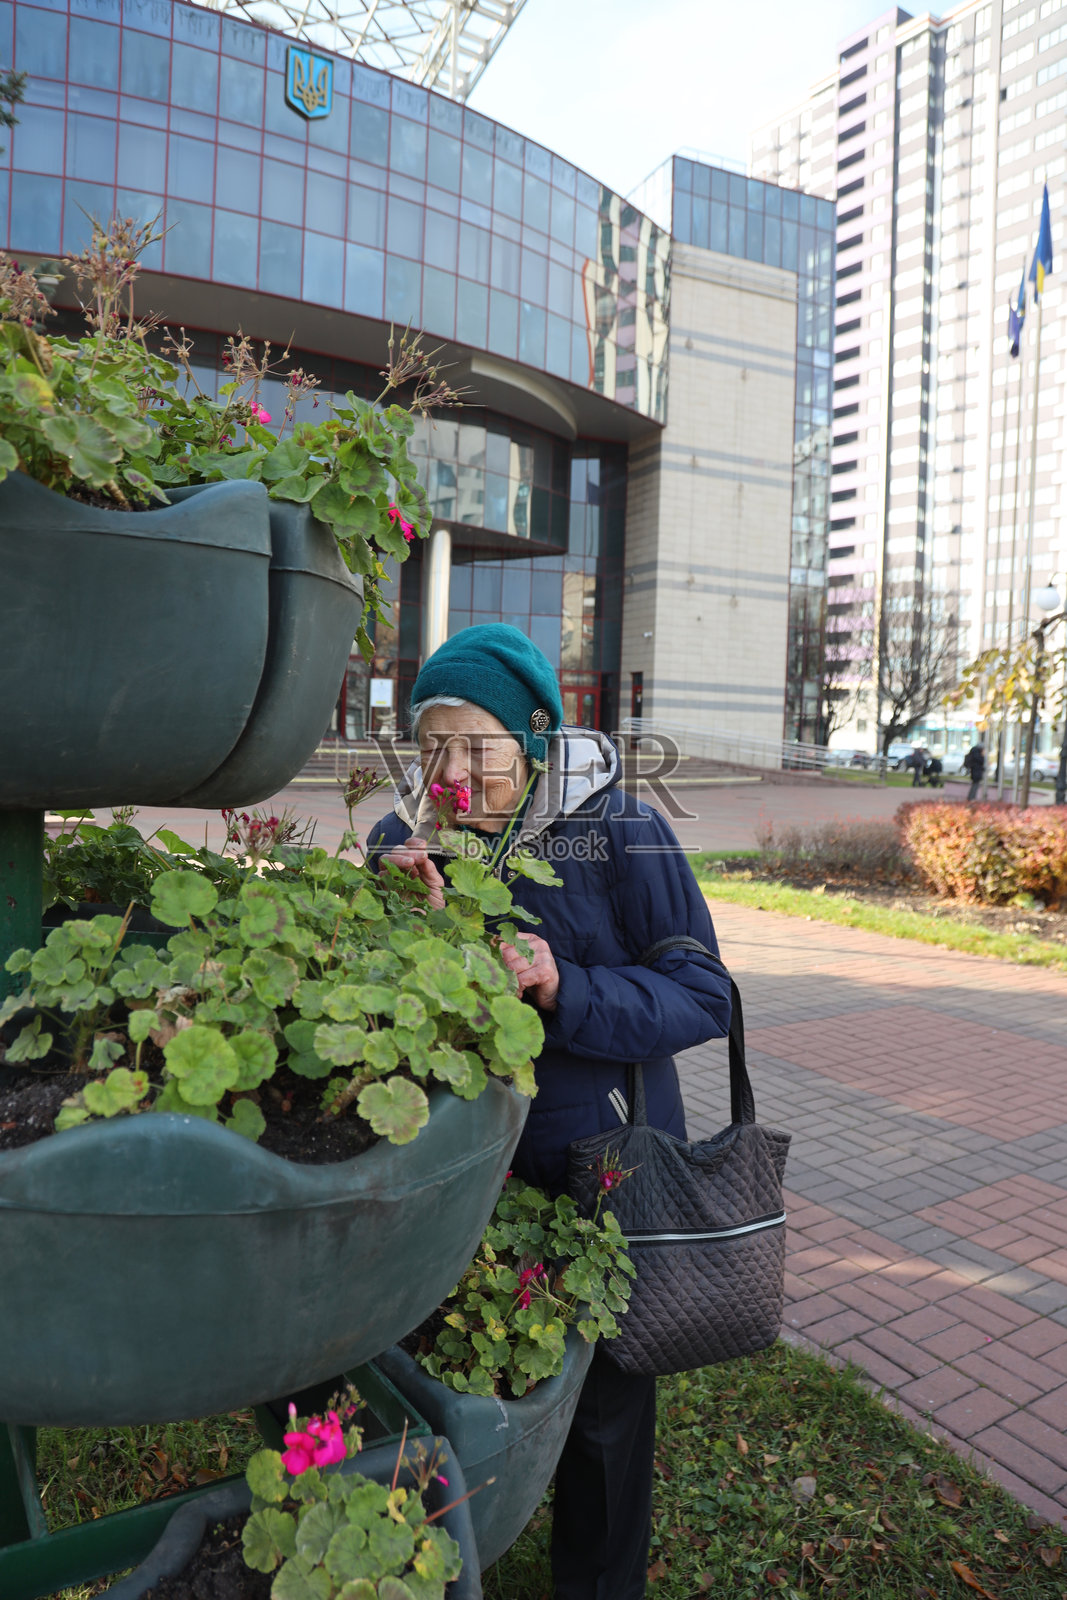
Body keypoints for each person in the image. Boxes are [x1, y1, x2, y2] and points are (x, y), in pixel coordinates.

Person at [367, 624, 731, 1600]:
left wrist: (563, 984)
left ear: (531, 740)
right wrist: (392, 905)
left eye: (474, 747)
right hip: (463, 1165)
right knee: (478, 1371)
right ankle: (464, 1537)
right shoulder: (406, 840)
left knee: (606, 1406)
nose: (449, 774)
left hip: (598, 1163)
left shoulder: (619, 830)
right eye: (430, 746)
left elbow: (703, 993)